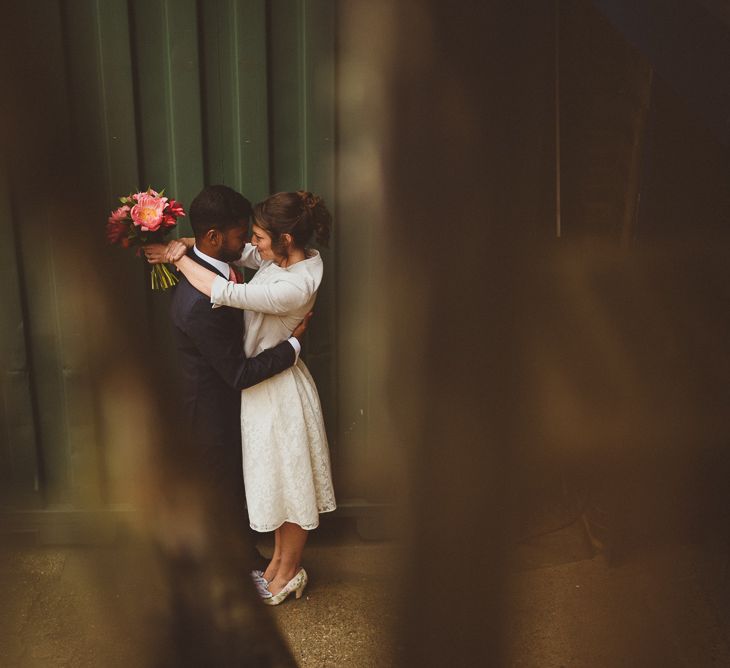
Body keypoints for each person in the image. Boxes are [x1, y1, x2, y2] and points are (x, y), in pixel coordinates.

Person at [162, 190, 336, 606]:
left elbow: (228, 293)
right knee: (275, 483)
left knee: (291, 485)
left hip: (279, 390)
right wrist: (184, 242)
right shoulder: (287, 258)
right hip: (264, 389)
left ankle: (289, 572)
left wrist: (180, 257)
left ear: (285, 240)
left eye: (258, 236)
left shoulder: (294, 285)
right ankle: (275, 566)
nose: (251, 245)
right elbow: (243, 258)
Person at [144, 185, 311, 563]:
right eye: (242, 235)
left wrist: (180, 250)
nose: (249, 243)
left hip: (225, 403)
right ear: (214, 237)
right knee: (221, 495)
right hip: (211, 414)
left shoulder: (219, 266)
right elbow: (237, 373)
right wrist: (294, 346)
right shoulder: (199, 302)